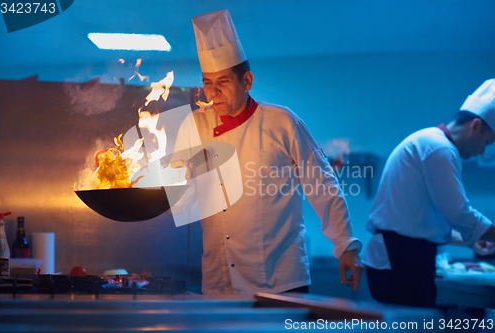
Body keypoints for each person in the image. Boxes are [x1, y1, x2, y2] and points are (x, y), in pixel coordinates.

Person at [171, 9, 363, 295]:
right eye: (208, 83)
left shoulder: (282, 121)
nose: (213, 93)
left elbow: (322, 184)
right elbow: (178, 191)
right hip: (219, 281)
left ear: (246, 81)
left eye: (222, 82)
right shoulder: (194, 124)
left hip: (281, 281)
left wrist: (346, 245)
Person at [363, 79, 495, 308]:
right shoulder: (440, 148)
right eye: (487, 142)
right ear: (475, 126)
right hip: (402, 261)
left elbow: (423, 220)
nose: (483, 151)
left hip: (399, 259)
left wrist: (471, 242)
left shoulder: (430, 142)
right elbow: (458, 213)